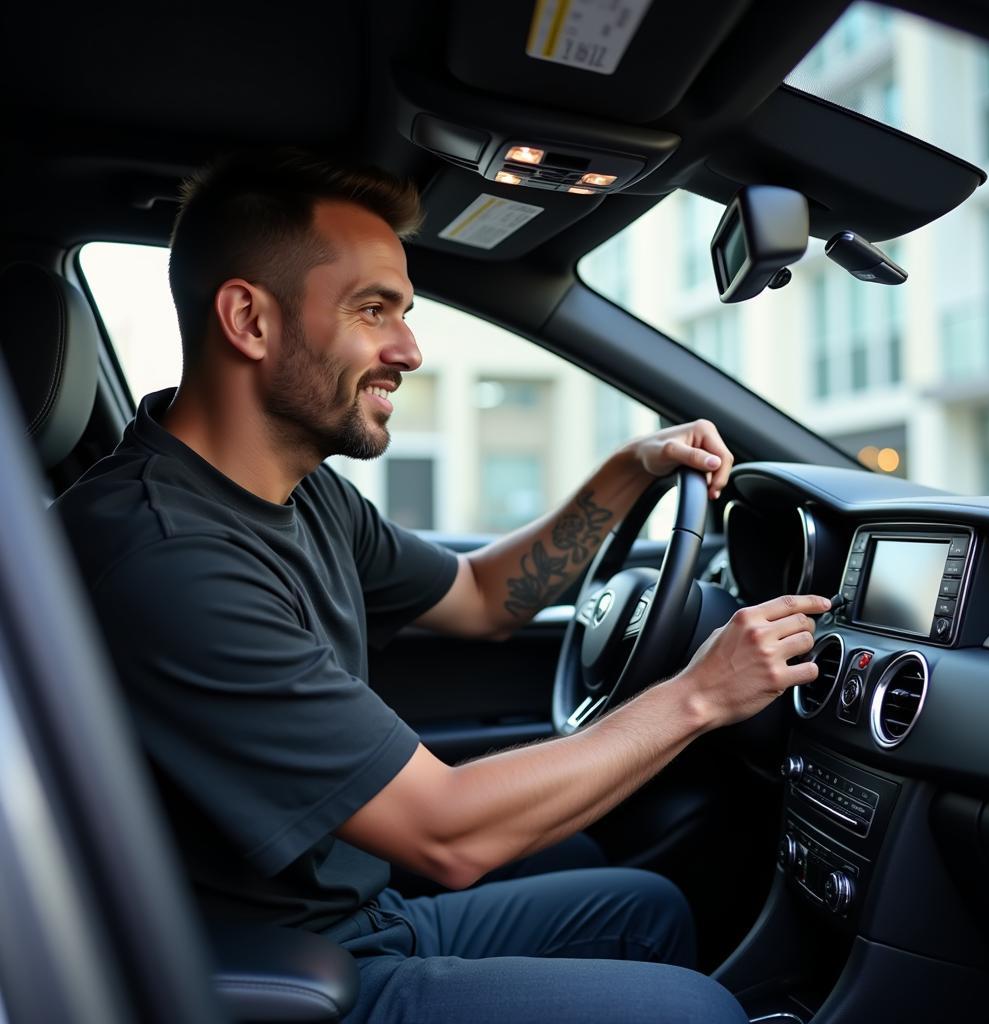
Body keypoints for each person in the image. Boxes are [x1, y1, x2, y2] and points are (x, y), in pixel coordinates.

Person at [57, 149, 828, 1024]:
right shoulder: (166, 556)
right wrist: (702, 696)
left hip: (352, 918)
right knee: (698, 1014)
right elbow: (448, 831)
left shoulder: (299, 490)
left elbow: (481, 596)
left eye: (405, 314)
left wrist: (631, 468)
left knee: (646, 914)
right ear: (249, 319)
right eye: (373, 310)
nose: (409, 350)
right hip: (280, 976)